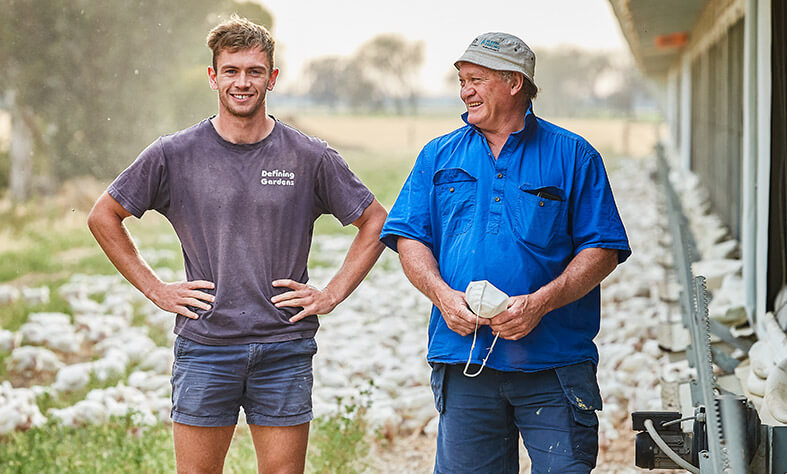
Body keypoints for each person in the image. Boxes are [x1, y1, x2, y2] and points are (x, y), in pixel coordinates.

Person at [87, 15, 387, 474]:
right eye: (231, 71)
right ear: (213, 76)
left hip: (284, 346)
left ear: (272, 77)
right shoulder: (174, 153)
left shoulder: (310, 157)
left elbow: (375, 221)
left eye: (254, 71)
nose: (242, 82)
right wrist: (156, 289)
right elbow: (104, 216)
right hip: (206, 345)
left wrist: (331, 293)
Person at [380, 32, 631, 473]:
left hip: (554, 366)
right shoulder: (437, 155)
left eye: (476, 80)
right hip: (465, 360)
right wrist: (442, 295)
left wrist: (540, 303)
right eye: (462, 81)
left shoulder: (574, 156)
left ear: (514, 83)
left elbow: (602, 248)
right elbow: (409, 238)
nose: (465, 91)